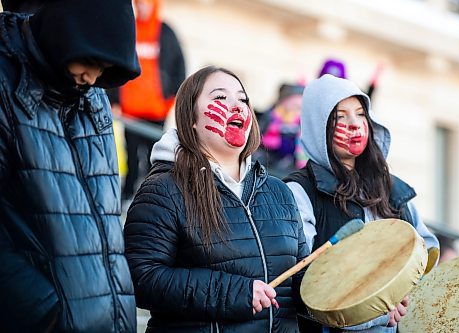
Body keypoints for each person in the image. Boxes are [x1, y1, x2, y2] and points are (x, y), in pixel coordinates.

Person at [124, 66, 310, 332]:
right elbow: (141, 278)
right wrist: (233, 292)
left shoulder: (280, 192)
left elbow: (303, 281)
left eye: (243, 99)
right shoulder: (163, 189)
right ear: (192, 119)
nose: (237, 106)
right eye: (220, 98)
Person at [0, 0, 140, 332]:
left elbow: (104, 223)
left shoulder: (94, 98)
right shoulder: (6, 82)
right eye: (91, 61)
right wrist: (45, 309)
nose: (93, 77)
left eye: (105, 69)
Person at [284, 75, 440, 332]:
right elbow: (302, 280)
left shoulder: (391, 187)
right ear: (317, 125)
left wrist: (405, 292)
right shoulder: (300, 190)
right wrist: (378, 310)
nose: (354, 124)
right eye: (340, 117)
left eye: (360, 114)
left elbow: (426, 249)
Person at [108, 0, 186, 205]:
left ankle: (149, 200)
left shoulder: (165, 33)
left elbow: (179, 68)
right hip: (130, 113)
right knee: (131, 159)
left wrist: (169, 101)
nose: (141, 7)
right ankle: (126, 197)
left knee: (155, 161)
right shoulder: (129, 27)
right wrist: (113, 99)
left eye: (145, 3)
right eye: (138, 3)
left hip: (156, 113)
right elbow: (113, 62)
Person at [254, 83, 307, 178]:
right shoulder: (271, 116)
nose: (297, 107)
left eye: (299, 106)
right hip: (267, 163)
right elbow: (257, 137)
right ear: (284, 100)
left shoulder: (302, 121)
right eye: (294, 103)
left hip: (290, 167)